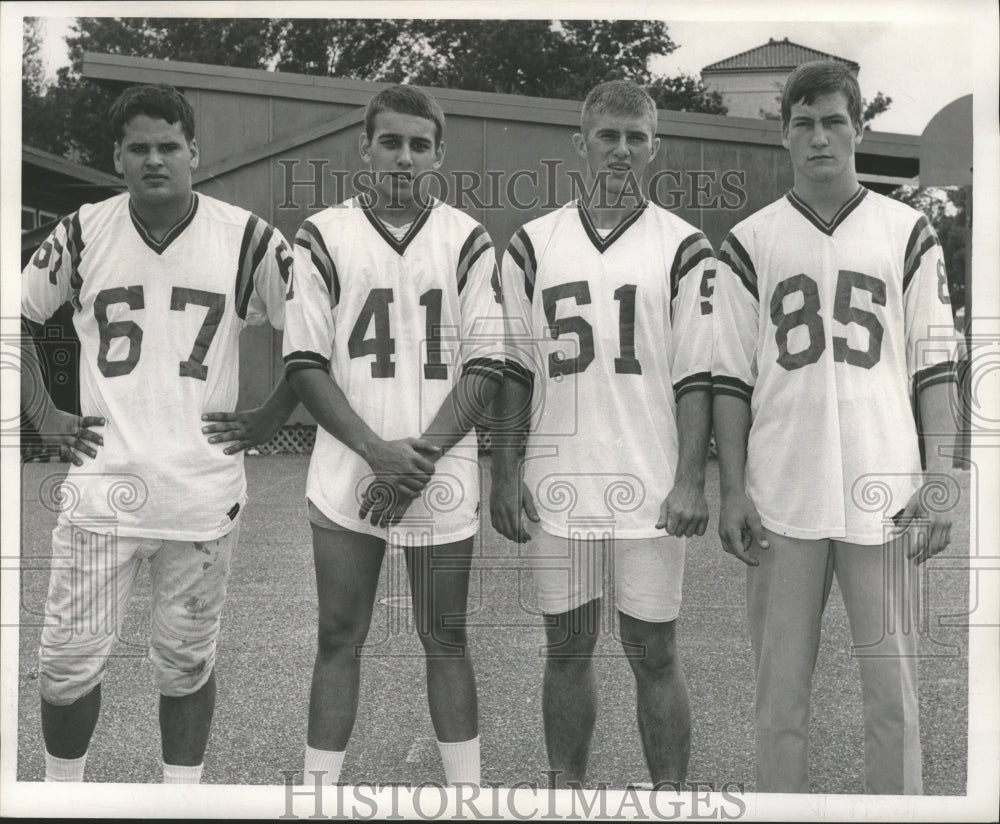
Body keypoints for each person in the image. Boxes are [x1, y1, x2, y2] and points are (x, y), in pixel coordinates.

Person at [20, 83, 298, 783]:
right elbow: (14, 318)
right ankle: (63, 796)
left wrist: (271, 415)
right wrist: (45, 413)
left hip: (199, 497)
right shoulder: (84, 230)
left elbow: (314, 339)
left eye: (168, 146)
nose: (154, 160)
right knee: (65, 666)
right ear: (117, 157)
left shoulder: (248, 238)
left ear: (194, 152)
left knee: (185, 662)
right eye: (138, 147)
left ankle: (182, 798)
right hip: (102, 492)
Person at [711, 60, 959, 794]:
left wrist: (940, 475)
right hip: (782, 493)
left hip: (884, 492)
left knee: (895, 702)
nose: (819, 137)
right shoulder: (749, 240)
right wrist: (731, 489)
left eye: (833, 121)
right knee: (778, 702)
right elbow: (731, 378)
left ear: (859, 129)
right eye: (803, 122)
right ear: (783, 135)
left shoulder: (906, 229)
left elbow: (934, 364)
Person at [490, 79, 715, 788]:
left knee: (654, 652)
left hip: (650, 483)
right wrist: (504, 471)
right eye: (608, 135)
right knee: (567, 649)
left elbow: (696, 375)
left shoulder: (683, 245)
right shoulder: (532, 243)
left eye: (636, 136)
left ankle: (670, 799)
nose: (621, 149)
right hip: (559, 479)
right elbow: (514, 367)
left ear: (656, 147)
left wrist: (689, 479)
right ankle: (565, 794)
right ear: (579, 143)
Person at [282, 84, 504, 787]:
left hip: (442, 470)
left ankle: (466, 797)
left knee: (446, 639)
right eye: (390, 142)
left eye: (418, 145)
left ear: (438, 155)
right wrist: (380, 453)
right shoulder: (322, 233)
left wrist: (420, 456)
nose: (403, 158)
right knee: (337, 637)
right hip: (352, 467)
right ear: (364, 147)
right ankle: (319, 794)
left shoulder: (466, 237)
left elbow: (488, 363)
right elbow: (303, 363)